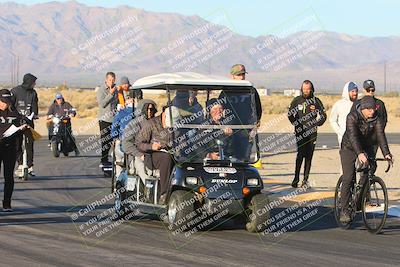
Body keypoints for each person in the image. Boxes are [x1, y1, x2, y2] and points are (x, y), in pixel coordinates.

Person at [339, 96, 392, 223]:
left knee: (372, 167)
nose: (372, 111)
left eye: (373, 109)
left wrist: (386, 153)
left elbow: (380, 135)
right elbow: (353, 137)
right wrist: (359, 153)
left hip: (366, 145)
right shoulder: (352, 117)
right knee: (348, 177)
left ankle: (359, 198)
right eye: (369, 109)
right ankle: (344, 210)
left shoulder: (377, 118)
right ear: (363, 109)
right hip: (349, 147)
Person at [288, 80, 326, 188]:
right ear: (301, 89)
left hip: (312, 133)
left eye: (308, 89)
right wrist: (296, 123)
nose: (306, 91)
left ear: (312, 89)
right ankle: (296, 179)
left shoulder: (316, 101)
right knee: (300, 155)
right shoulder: (297, 100)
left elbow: (323, 115)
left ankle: (305, 180)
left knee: (309, 156)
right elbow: (290, 114)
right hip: (300, 132)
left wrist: (318, 123)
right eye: (304, 89)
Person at [136, 105, 173, 204]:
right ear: (164, 114)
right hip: (152, 156)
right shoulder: (151, 124)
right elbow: (139, 144)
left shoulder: (176, 124)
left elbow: (184, 141)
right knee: (166, 158)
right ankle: (164, 193)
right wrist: (151, 146)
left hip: (173, 154)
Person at [0, 89, 28, 211]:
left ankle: (7, 204)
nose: (5, 104)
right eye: (3, 101)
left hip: (10, 149)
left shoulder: (14, 112)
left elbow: (25, 121)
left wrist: (24, 126)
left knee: (9, 177)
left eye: (7, 102)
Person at [351, 79, 388, 162]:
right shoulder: (357, 104)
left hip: (373, 141)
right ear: (364, 90)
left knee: (371, 164)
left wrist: (377, 134)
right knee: (358, 163)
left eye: (372, 90)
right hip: (360, 139)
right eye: (368, 90)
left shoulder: (380, 104)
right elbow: (353, 121)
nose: (370, 92)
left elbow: (384, 120)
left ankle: (370, 174)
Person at [122, 99, 157, 182]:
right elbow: (126, 144)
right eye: (147, 109)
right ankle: (149, 190)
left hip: (155, 154)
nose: (149, 112)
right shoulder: (134, 124)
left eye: (152, 109)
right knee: (144, 169)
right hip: (137, 156)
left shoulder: (157, 123)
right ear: (142, 109)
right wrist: (139, 155)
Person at [11, 73, 39, 177]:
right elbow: (11, 105)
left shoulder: (33, 93)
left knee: (29, 144)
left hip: (29, 122)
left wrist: (34, 115)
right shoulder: (15, 91)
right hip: (17, 122)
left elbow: (35, 106)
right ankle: (20, 164)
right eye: (33, 82)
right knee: (17, 144)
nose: (35, 84)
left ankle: (30, 166)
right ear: (28, 82)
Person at [97, 72, 118, 167]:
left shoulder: (116, 90)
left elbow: (118, 102)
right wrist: (110, 94)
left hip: (114, 119)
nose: (111, 82)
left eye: (113, 80)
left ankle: (115, 159)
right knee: (105, 141)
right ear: (106, 80)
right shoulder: (101, 90)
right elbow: (102, 104)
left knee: (113, 140)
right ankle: (104, 160)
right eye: (110, 80)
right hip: (104, 119)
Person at [330, 82, 359, 146]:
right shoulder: (339, 104)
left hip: (358, 139)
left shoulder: (359, 104)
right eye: (352, 91)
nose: (355, 93)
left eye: (356, 91)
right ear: (347, 92)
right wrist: (341, 132)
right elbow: (332, 120)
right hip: (343, 140)